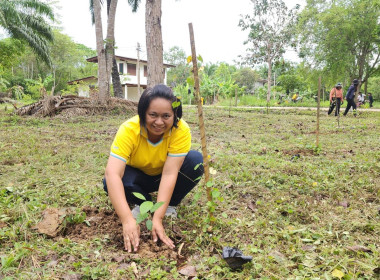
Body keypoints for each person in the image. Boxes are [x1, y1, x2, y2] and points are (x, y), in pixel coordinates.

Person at [103, 84, 204, 252]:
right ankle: (143, 203)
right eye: (153, 115)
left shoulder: (181, 131)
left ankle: (170, 205)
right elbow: (112, 172)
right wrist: (127, 219)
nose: (159, 122)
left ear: (175, 116)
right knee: (110, 182)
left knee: (195, 161)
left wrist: (158, 218)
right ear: (143, 113)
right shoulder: (129, 129)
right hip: (138, 177)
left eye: (166, 116)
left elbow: (170, 173)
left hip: (163, 175)